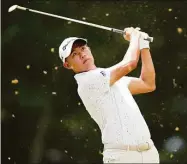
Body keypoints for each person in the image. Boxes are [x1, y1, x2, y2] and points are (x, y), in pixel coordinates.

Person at [58, 27, 159, 163]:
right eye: (74, 54)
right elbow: (130, 64)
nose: (82, 54)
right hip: (122, 156)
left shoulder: (109, 77)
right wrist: (135, 37)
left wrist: (144, 46)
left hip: (149, 154)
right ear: (67, 65)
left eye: (83, 48)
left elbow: (148, 84)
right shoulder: (87, 82)